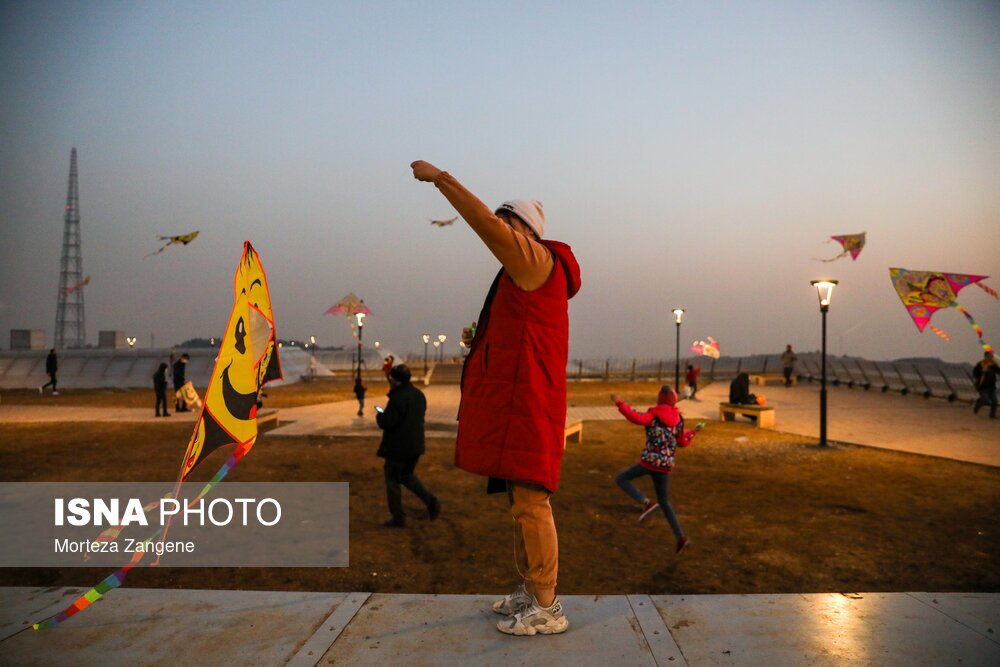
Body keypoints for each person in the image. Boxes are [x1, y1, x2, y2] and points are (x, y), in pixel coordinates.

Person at [412, 159, 581, 637]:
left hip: (530, 402)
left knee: (532, 502)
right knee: (521, 503)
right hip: (521, 399)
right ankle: (533, 590)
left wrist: (440, 178)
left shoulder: (535, 259)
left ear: (525, 230)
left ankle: (547, 605)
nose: (501, 230)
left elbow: (483, 223)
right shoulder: (523, 273)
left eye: (508, 223)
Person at [611, 386, 700, 554]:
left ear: (659, 399)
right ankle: (681, 537)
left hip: (650, 462)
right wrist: (693, 433)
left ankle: (646, 502)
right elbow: (681, 442)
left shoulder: (653, 416)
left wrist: (619, 403)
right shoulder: (679, 419)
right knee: (665, 502)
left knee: (621, 479)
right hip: (666, 466)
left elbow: (635, 417)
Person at [376, 364, 440, 527]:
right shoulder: (419, 395)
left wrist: (380, 416)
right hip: (416, 445)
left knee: (392, 480)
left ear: (395, 380)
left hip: (397, 447)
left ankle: (398, 517)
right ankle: (431, 501)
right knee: (407, 475)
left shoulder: (397, 398)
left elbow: (388, 422)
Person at [972, 350, 998, 419]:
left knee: (994, 401)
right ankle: (978, 405)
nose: (991, 357)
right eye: (989, 356)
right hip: (982, 386)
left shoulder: (994, 365)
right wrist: (982, 372)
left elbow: (998, 371)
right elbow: (975, 374)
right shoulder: (980, 364)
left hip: (991, 386)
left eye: (991, 356)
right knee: (985, 400)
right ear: (986, 356)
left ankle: (992, 415)